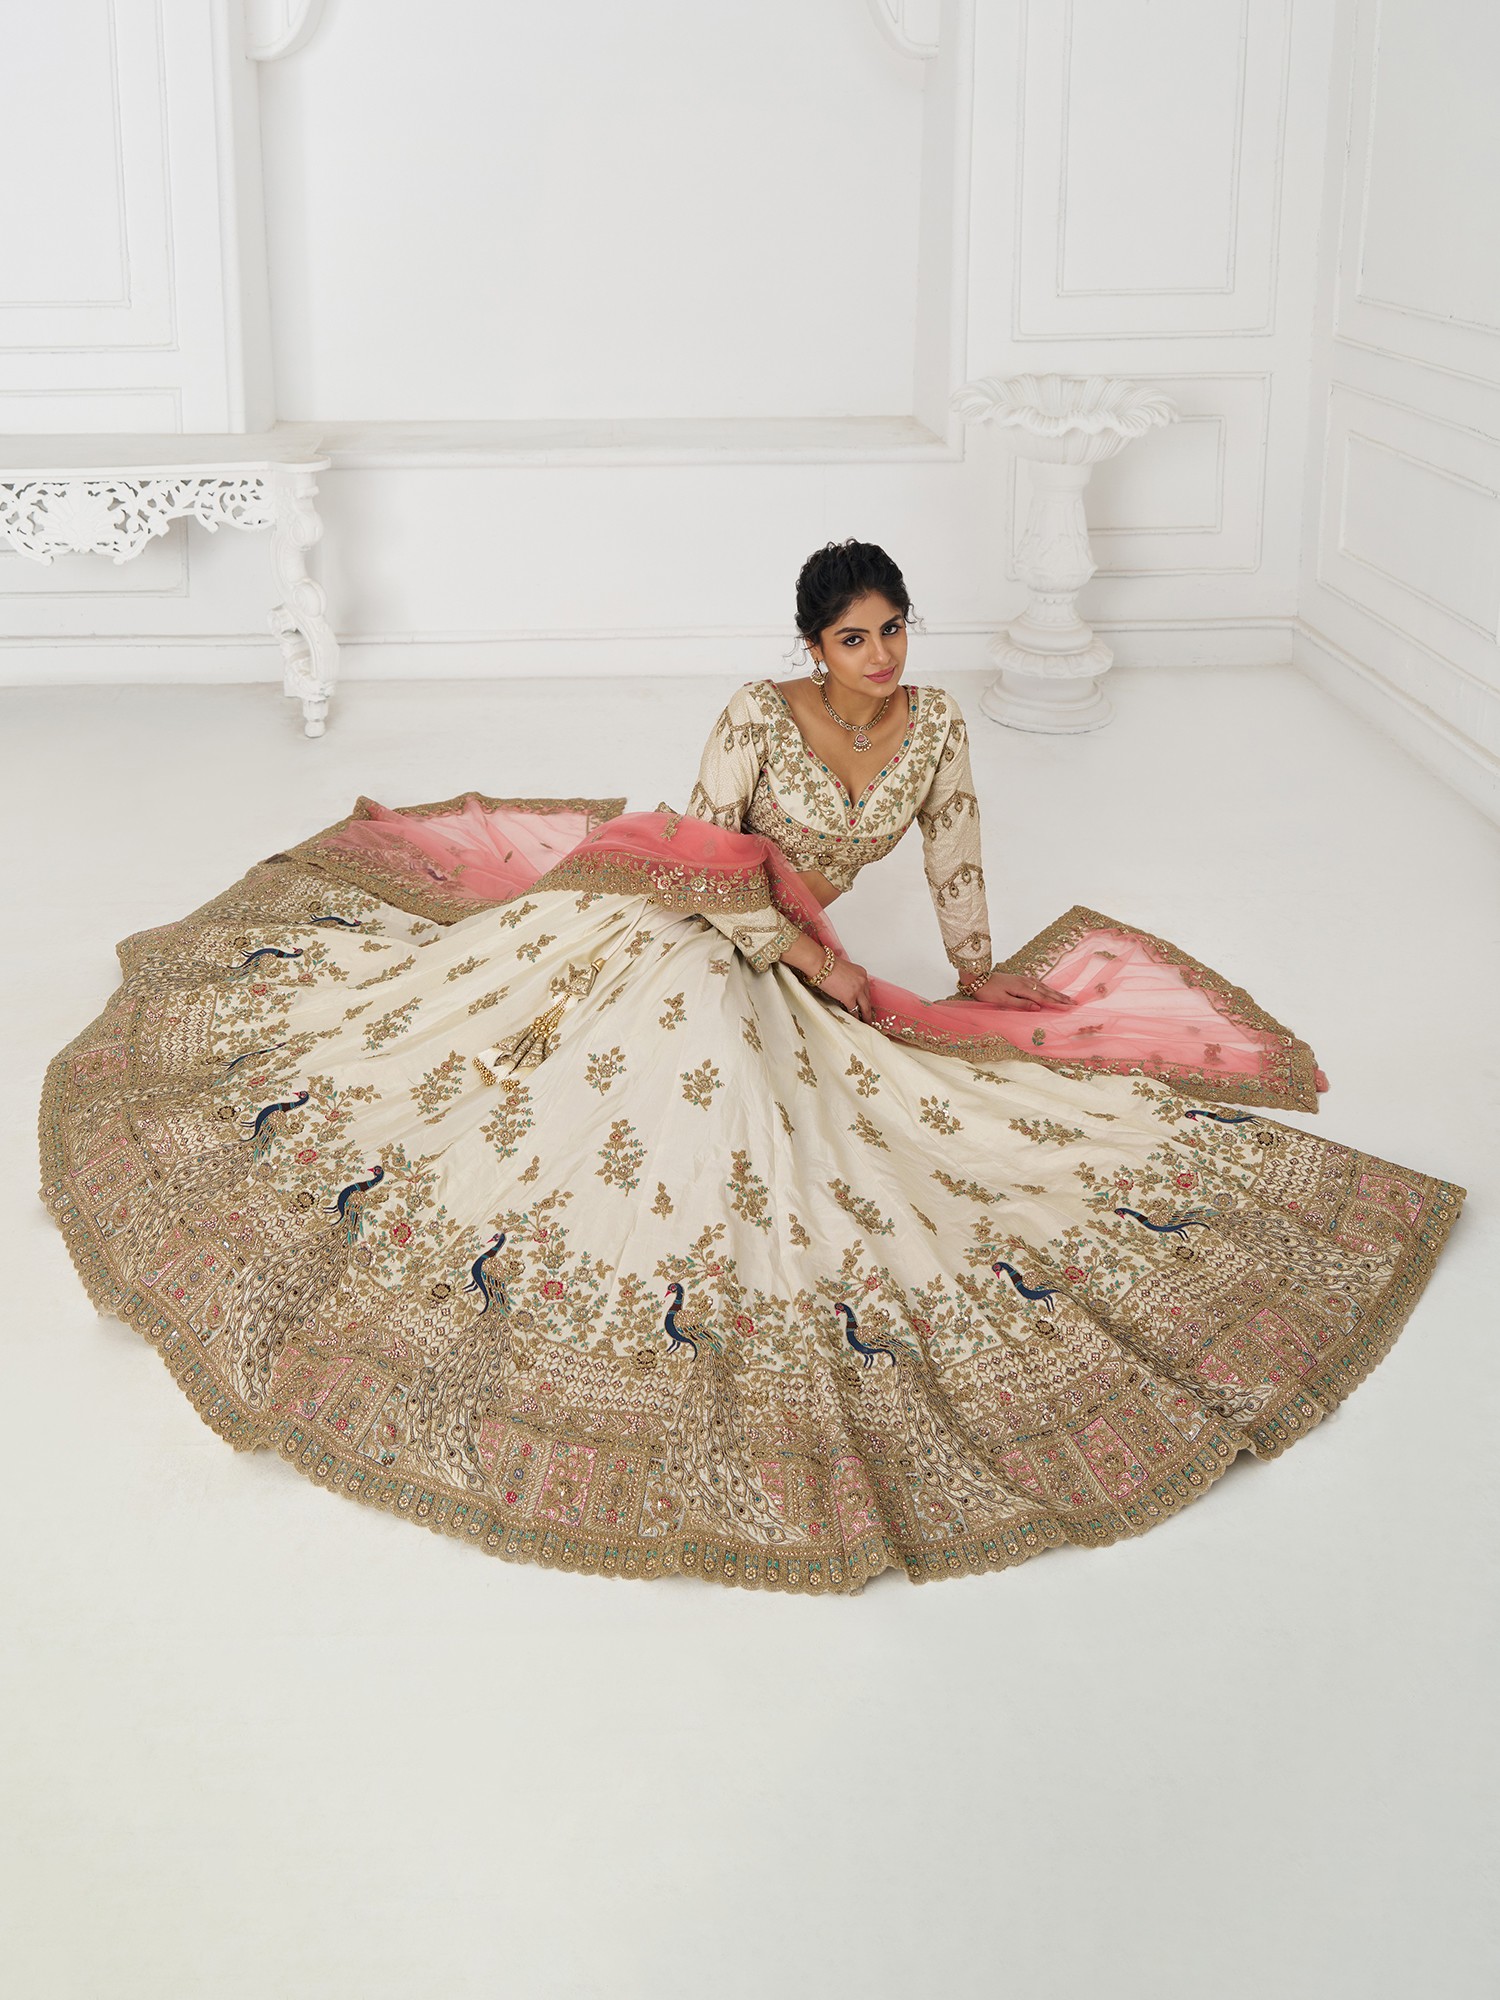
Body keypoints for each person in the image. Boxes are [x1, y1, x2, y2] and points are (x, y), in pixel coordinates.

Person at [38, 540, 1465, 1595]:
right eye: (856, 638)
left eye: (896, 631)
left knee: (885, 1118)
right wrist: (814, 962)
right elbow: (708, 862)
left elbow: (956, 847)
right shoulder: (753, 716)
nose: (883, 658)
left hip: (799, 956)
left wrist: (973, 971)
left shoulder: (938, 725)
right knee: (643, 1076)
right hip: (686, 924)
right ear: (811, 645)